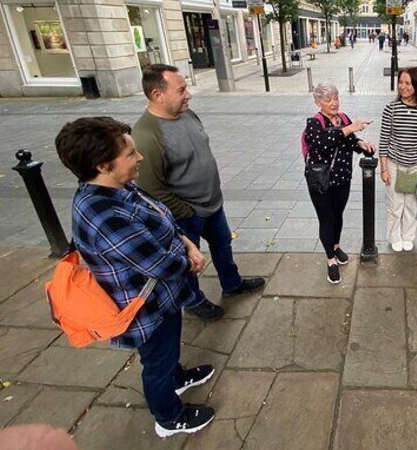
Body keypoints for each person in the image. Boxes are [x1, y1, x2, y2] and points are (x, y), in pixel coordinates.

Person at [56, 117, 216, 437]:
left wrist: (184, 242)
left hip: (161, 298)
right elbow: (159, 264)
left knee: (167, 351)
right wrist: (190, 261)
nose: (139, 158)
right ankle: (168, 417)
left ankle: (176, 377)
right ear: (102, 165)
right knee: (157, 360)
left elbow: (161, 215)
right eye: (130, 154)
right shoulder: (104, 216)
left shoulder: (117, 187)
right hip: (145, 308)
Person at [132, 64, 265, 323]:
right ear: (158, 95)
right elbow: (152, 189)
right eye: (181, 89)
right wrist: (187, 211)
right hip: (186, 214)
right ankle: (193, 300)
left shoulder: (188, 114)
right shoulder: (147, 135)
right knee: (188, 261)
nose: (189, 94)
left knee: (223, 244)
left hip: (213, 204)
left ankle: (232, 283)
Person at [304, 82, 376, 284]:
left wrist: (362, 145)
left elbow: (350, 140)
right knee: (326, 219)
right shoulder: (314, 122)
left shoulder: (343, 118)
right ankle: (330, 261)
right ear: (318, 102)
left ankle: (335, 246)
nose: (333, 103)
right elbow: (322, 142)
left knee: (338, 216)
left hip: (342, 178)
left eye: (335, 98)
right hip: (321, 181)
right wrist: (351, 128)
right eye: (328, 100)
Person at [379, 67, 417, 252]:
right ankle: (394, 236)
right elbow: (383, 141)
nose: (403, 87)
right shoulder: (391, 108)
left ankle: (408, 236)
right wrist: (384, 169)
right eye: (401, 82)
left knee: (412, 204)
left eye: (408, 83)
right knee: (395, 204)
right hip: (394, 164)